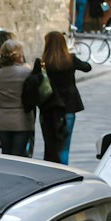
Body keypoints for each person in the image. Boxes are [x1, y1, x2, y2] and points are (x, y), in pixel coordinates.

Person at [23, 30, 90, 164]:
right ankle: (64, 171)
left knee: (50, 146)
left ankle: (51, 172)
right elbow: (87, 67)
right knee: (64, 147)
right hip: (68, 107)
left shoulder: (42, 63)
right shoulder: (70, 59)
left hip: (48, 108)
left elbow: (32, 83)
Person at [0, 38, 35, 157]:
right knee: (19, 154)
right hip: (21, 118)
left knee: (6, 154)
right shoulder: (26, 72)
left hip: (3, 118)